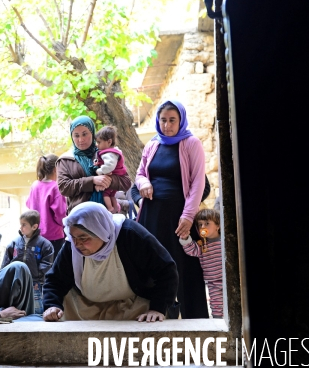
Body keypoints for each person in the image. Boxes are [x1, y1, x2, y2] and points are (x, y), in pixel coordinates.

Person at [134, 100, 209, 319]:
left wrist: (188, 216)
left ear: (181, 121)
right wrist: (144, 184)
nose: (167, 125)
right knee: (153, 265)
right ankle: (157, 313)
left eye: (172, 120)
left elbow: (198, 183)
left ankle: (195, 320)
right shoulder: (153, 144)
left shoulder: (191, 143)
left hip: (179, 217)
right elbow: (139, 173)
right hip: (152, 216)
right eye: (163, 120)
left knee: (185, 268)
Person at [42, 202, 178, 322]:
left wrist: (157, 308)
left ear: (100, 231)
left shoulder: (131, 235)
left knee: (150, 318)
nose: (77, 244)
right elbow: (55, 279)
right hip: (87, 307)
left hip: (132, 305)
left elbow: (166, 270)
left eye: (83, 238)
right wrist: (52, 305)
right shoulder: (71, 246)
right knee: (61, 308)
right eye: (73, 237)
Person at [56, 116, 131, 214]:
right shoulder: (65, 160)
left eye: (84, 134)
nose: (81, 139)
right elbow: (64, 187)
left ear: (92, 132)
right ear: (72, 136)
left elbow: (126, 182)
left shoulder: (107, 154)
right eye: (76, 135)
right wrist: (92, 181)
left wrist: (109, 180)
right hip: (80, 218)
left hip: (108, 215)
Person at [1, 210, 54, 315]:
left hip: (35, 284)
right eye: (20, 224)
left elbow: (47, 264)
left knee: (36, 309)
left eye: (24, 225)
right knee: (16, 305)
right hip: (16, 282)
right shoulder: (14, 243)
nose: (21, 227)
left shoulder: (45, 244)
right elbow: (6, 261)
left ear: (34, 227)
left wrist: (37, 276)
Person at [179, 208, 223, 318]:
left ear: (218, 225)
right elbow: (191, 250)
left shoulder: (225, 241)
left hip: (228, 279)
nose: (203, 227)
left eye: (207, 223)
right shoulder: (202, 245)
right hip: (213, 282)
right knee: (217, 307)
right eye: (200, 224)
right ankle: (219, 325)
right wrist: (185, 238)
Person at [26, 154, 68, 256]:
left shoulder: (35, 185)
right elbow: (60, 214)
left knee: (40, 267)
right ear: (55, 169)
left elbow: (28, 204)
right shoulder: (55, 187)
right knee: (54, 268)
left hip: (36, 235)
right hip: (54, 236)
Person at [92, 126, 128, 213]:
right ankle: (115, 207)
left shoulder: (108, 153)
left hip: (114, 175)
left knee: (106, 194)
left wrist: (99, 171)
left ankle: (110, 208)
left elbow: (109, 165)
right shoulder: (113, 151)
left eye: (99, 142)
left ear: (109, 142)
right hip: (118, 176)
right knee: (112, 195)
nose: (97, 145)